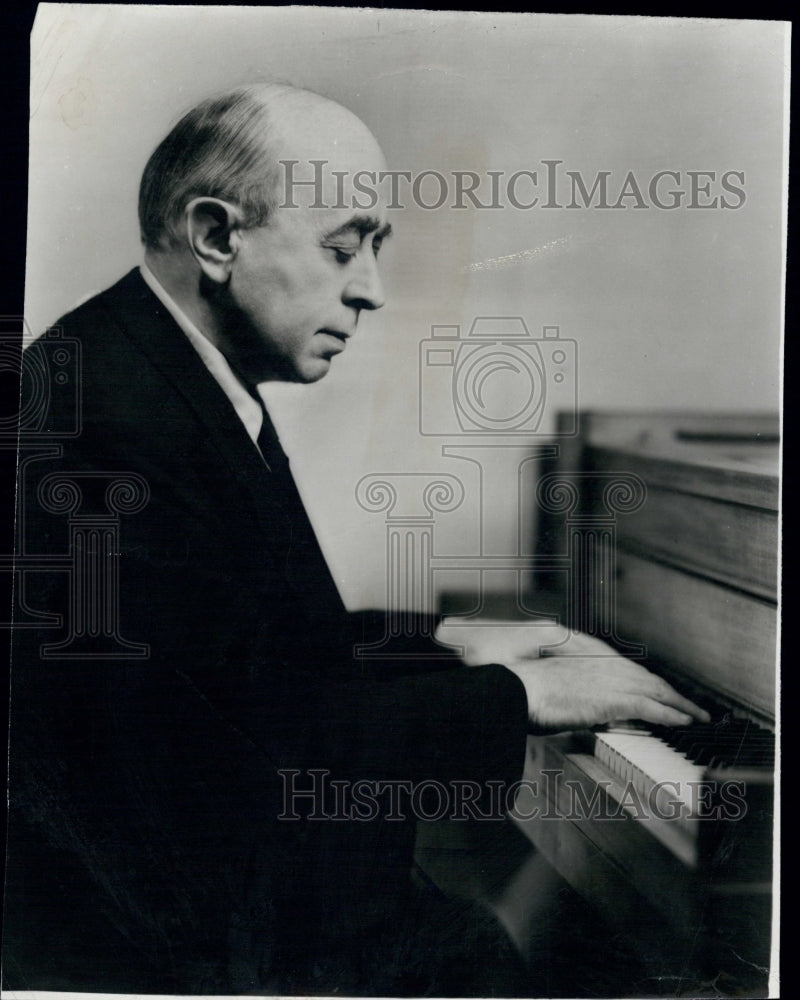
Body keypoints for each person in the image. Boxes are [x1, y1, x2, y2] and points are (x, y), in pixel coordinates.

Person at [4, 84, 708, 995]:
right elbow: (239, 750)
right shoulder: (106, 420)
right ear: (217, 237)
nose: (371, 290)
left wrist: (447, 641)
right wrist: (517, 694)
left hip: (230, 902)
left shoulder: (148, 367)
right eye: (345, 248)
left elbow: (237, 655)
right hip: (185, 951)